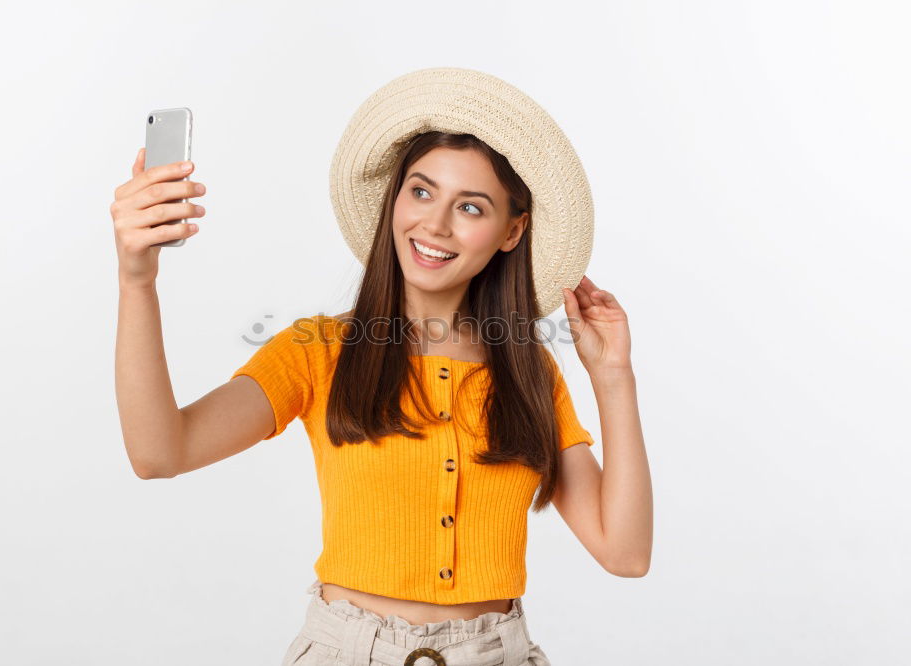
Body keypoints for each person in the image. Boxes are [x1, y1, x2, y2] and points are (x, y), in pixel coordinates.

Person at [111, 68, 652, 666]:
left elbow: (625, 553)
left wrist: (613, 378)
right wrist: (138, 282)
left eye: (470, 207)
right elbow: (160, 453)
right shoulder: (317, 351)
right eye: (421, 192)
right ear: (395, 199)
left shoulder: (529, 374)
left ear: (511, 230)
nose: (435, 224)